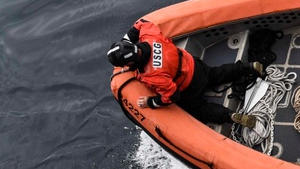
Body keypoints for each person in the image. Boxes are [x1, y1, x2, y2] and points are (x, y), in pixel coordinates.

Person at [107, 19, 265, 128]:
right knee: (218, 73)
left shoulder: (152, 75)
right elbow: (141, 24)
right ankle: (249, 67)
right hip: (195, 67)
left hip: (189, 88)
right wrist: (126, 40)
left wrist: (150, 102)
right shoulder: (150, 37)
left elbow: (171, 96)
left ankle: (230, 116)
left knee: (200, 110)